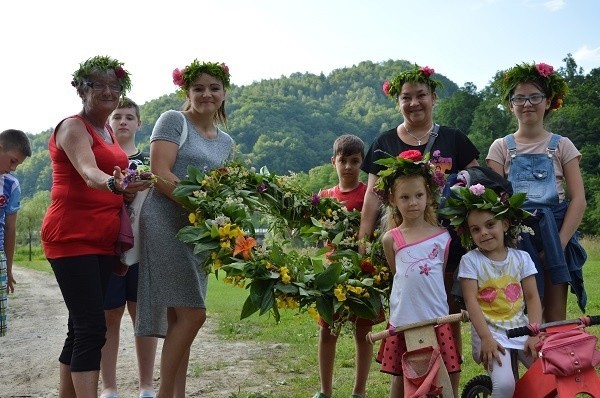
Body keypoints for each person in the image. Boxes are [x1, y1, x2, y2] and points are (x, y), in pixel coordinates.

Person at [41, 56, 151, 398]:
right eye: (98, 84)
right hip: (72, 237)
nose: (108, 91)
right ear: (80, 89)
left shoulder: (107, 131)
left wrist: (133, 184)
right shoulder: (74, 127)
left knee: (80, 326)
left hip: (102, 240)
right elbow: (89, 173)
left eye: (114, 86)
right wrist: (117, 185)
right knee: (91, 327)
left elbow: (117, 176)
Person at [359, 64, 479, 369]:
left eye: (421, 95)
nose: (414, 103)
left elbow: (477, 185)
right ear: (397, 102)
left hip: (451, 246)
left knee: (447, 318)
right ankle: (411, 379)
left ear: (433, 97)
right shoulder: (384, 144)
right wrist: (363, 238)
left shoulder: (454, 138)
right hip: (405, 244)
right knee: (408, 315)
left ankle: (448, 379)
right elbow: (372, 198)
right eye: (406, 97)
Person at [136, 59, 235, 398]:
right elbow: (160, 173)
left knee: (182, 320)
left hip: (200, 234)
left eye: (214, 88)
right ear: (187, 92)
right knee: (194, 315)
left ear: (224, 93)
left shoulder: (226, 142)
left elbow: (219, 189)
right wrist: (201, 207)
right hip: (165, 222)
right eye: (199, 88)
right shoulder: (174, 120)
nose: (207, 94)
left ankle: (178, 394)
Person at [487, 61, 586, 322]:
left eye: (534, 97)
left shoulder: (562, 145)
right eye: (520, 98)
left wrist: (559, 244)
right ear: (510, 104)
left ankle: (555, 362)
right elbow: (496, 202)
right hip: (517, 240)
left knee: (555, 318)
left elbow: (578, 200)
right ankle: (532, 364)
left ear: (548, 101)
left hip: (556, 234)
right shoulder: (500, 148)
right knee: (523, 317)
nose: (527, 103)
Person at [440, 177, 543, 397]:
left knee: (547, 373)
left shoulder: (522, 258)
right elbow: (471, 301)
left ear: (505, 224)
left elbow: (533, 298)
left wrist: (535, 332)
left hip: (522, 329)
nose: (484, 233)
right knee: (505, 385)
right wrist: (486, 338)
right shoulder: (471, 261)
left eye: (490, 225)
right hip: (491, 333)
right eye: (476, 229)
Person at [374, 149, 460, 398]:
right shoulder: (391, 239)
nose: (413, 202)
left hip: (435, 317)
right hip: (404, 319)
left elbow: (439, 273)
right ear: (393, 199)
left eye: (419, 195)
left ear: (428, 196)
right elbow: (397, 274)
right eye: (405, 197)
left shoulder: (443, 237)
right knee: (402, 375)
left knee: (439, 375)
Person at [313, 134, 384, 398]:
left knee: (363, 333)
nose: (348, 167)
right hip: (332, 274)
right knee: (327, 331)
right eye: (343, 161)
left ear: (362, 163)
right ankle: (325, 391)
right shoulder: (324, 197)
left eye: (355, 161)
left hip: (364, 273)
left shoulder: (369, 195)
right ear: (333, 162)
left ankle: (359, 391)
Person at [100, 98, 157, 398]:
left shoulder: (151, 162)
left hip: (144, 252)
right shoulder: (100, 161)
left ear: (139, 124)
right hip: (108, 251)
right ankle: (109, 388)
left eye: (129, 117)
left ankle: (146, 386)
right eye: (117, 116)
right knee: (109, 317)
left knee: (142, 318)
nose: (123, 121)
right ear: (108, 123)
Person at [0, 129, 31, 337]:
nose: (12, 168)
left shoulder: (11, 184)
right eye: (12, 161)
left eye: (17, 164)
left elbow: (10, 228)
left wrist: (8, 269)